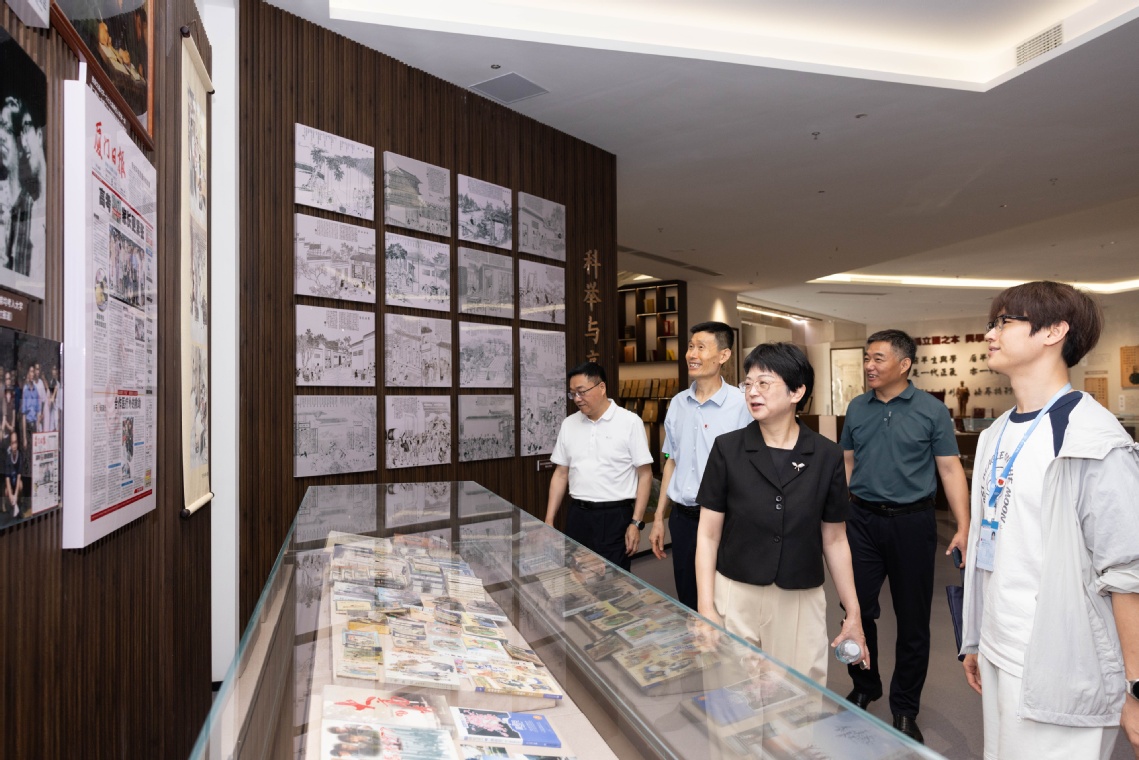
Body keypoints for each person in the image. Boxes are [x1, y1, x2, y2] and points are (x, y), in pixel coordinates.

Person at [960, 281, 1139, 760]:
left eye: (1004, 322)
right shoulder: (996, 433)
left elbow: (1127, 572)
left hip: (1062, 662)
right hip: (999, 647)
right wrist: (976, 638)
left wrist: (1136, 688)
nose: (990, 334)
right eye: (991, 323)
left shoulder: (1093, 439)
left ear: (1054, 331)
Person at [694, 343, 868, 685]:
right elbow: (708, 534)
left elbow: (834, 539)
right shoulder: (728, 449)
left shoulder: (826, 455)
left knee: (798, 694)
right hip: (735, 591)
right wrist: (706, 607)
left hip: (799, 596)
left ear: (796, 392)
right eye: (747, 383)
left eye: (764, 383)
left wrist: (853, 611)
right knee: (730, 692)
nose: (752, 392)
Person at [841, 328, 969, 743]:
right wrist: (841, 513)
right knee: (856, 609)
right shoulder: (857, 407)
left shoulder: (932, 411)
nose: (869, 365)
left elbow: (949, 468)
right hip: (862, 521)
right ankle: (865, 684)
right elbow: (847, 461)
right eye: (866, 358)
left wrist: (964, 525)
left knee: (913, 620)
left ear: (904, 364)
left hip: (913, 524)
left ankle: (905, 707)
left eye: (877, 358)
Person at [648, 321, 750, 609]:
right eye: (691, 347)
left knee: (726, 602)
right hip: (683, 519)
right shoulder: (678, 404)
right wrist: (659, 518)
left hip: (727, 521)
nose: (692, 354)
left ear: (723, 355)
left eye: (701, 347)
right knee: (689, 600)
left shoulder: (742, 405)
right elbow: (671, 461)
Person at [545, 361, 653, 571]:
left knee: (614, 579)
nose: (577, 398)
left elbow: (645, 475)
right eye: (572, 394)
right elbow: (560, 473)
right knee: (575, 577)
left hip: (614, 517)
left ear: (601, 387)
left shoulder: (630, 422)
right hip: (578, 515)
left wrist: (636, 522)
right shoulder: (569, 424)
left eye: (582, 392)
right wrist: (549, 520)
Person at [4, 430, 21, 518]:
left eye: (16, 442)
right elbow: (7, 479)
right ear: (10, 444)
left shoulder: (20, 456)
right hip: (10, 485)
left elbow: (19, 477)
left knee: (21, 485)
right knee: (7, 492)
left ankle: (18, 502)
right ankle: (11, 505)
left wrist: (16, 494)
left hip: (16, 484)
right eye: (12, 443)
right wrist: (11, 495)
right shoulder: (8, 458)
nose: (14, 445)